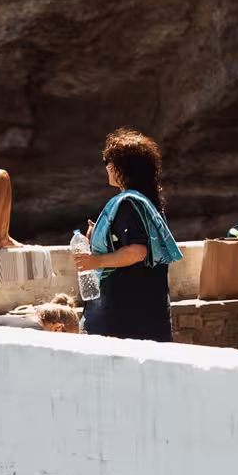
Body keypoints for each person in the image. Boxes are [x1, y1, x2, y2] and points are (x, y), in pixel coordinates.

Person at [71, 128, 183, 340]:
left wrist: (95, 261)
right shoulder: (150, 205)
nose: (107, 167)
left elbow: (137, 251)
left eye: (108, 161)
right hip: (150, 315)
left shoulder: (129, 203)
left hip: (122, 318)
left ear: (122, 167)